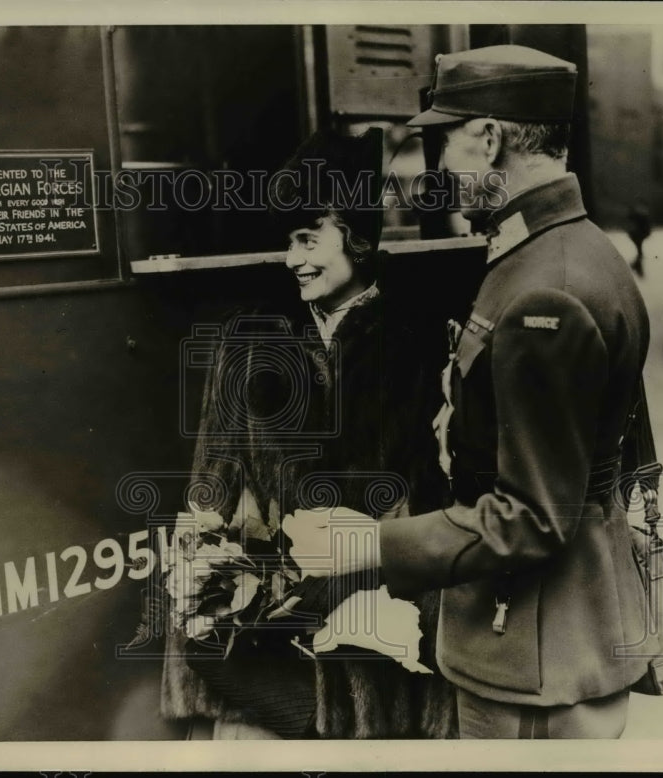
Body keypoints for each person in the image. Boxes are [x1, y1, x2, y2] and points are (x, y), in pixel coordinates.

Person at [282, 45, 658, 739]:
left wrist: (370, 545)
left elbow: (534, 517)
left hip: (534, 659)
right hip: (552, 636)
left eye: (443, 141)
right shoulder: (567, 253)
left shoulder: (546, 286)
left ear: (489, 139)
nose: (439, 169)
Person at [160, 128, 458, 740]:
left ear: (358, 237)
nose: (293, 258)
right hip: (271, 655)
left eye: (307, 238)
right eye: (287, 242)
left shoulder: (423, 344)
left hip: (384, 654)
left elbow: (441, 509)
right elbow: (208, 496)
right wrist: (200, 592)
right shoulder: (250, 343)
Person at [627, 202, 652, 277]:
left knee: (640, 252)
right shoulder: (640, 216)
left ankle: (635, 266)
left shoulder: (642, 216)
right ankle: (635, 266)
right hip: (637, 236)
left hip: (638, 236)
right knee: (640, 253)